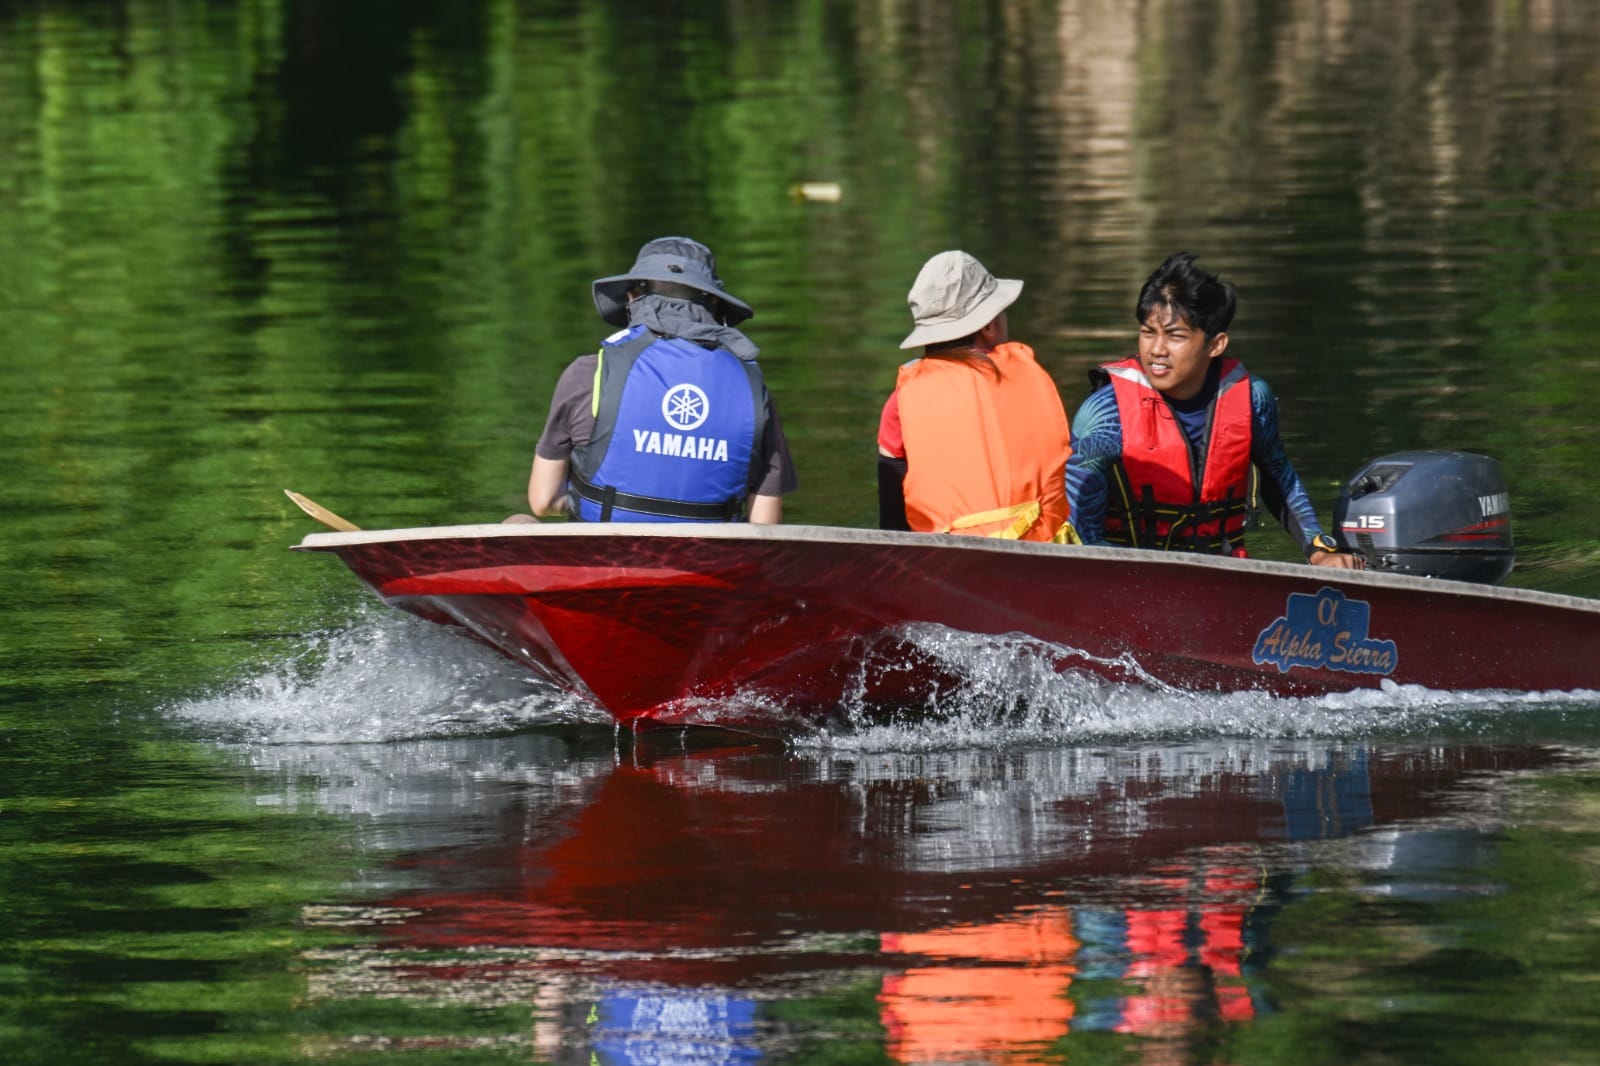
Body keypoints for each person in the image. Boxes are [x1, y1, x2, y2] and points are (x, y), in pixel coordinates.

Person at [1065, 251, 1363, 568]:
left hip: (1224, 572)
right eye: (1148, 332)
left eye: (1175, 335)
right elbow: (1080, 529)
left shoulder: (1252, 399)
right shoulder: (1106, 414)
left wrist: (1319, 550)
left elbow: (1279, 477)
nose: (1156, 350)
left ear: (1216, 344)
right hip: (1130, 576)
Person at [514, 237, 797, 524]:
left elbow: (543, 500)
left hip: (604, 559)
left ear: (632, 297)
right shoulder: (750, 387)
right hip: (709, 566)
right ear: (713, 304)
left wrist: (592, 500)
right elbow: (764, 529)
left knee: (518, 523)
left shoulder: (587, 373)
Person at [877, 250, 1074, 542]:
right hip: (1042, 552)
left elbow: (892, 522)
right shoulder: (1032, 376)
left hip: (947, 559)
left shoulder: (902, 400)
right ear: (988, 326)